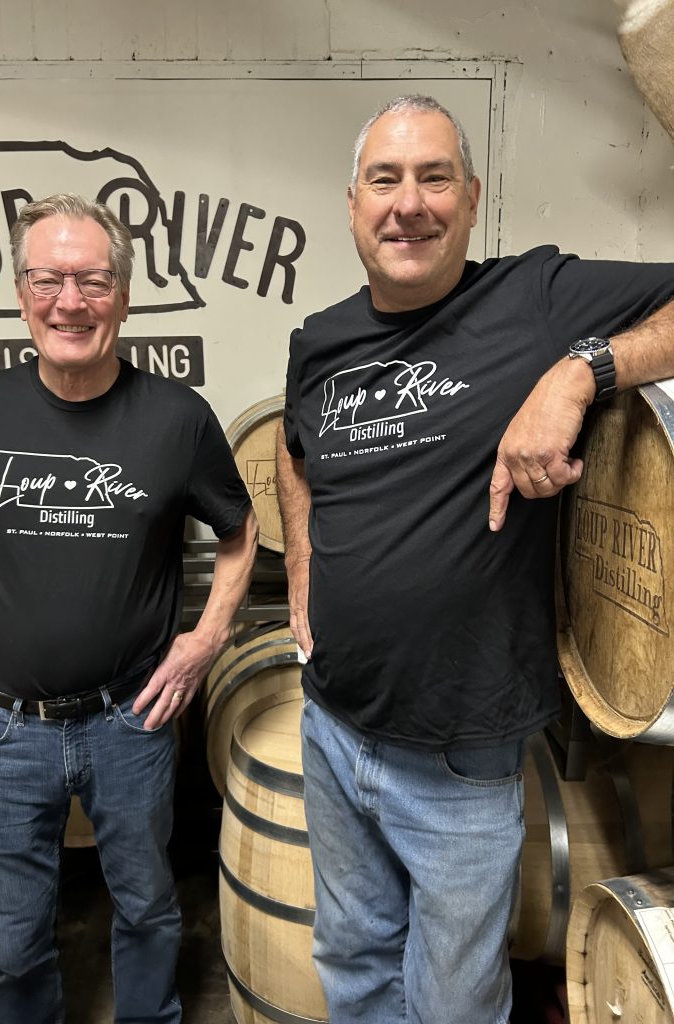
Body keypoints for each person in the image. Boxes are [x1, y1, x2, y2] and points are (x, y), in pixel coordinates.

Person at [276, 94, 674, 1024]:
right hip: (332, 722)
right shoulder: (319, 341)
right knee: (353, 959)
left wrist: (581, 371)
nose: (409, 203)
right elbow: (295, 452)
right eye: (385, 179)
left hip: (459, 757)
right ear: (352, 203)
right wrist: (299, 564)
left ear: (472, 196)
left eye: (435, 177)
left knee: (454, 1001)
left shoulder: (534, 298)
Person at [0, 193, 258, 1024]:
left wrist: (206, 639)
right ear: (21, 294)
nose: (69, 302)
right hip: (2, 728)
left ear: (124, 297)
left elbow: (242, 532)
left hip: (130, 719)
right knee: (13, 940)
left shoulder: (177, 418)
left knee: (147, 909)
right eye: (48, 279)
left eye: (93, 281)